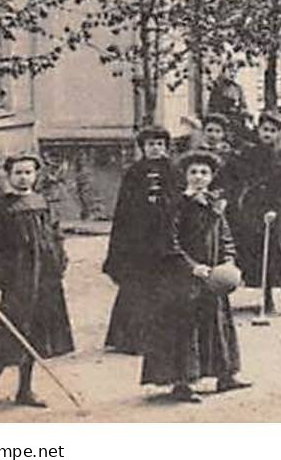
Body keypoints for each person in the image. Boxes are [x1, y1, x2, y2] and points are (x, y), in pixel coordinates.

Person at [140, 151, 248, 402]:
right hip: (182, 278)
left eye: (204, 173)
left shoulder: (214, 205)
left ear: (211, 177)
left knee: (217, 323)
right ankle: (183, 382)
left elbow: (226, 237)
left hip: (213, 275)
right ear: (186, 176)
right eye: (194, 172)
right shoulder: (175, 205)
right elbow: (169, 242)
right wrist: (191, 266)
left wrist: (228, 260)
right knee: (185, 328)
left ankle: (225, 376)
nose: (199, 177)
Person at [0, 155, 74, 422]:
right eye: (17, 172)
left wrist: (59, 260)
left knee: (34, 334)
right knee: (5, 336)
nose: (23, 177)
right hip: (14, 281)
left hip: (42, 280)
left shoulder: (42, 202)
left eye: (28, 172)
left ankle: (25, 390)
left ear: (36, 175)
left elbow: (55, 234)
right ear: (8, 176)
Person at [104, 127, 175, 354]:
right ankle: (130, 339)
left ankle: (161, 339)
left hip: (164, 239)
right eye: (151, 144)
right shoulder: (134, 173)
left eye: (160, 144)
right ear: (143, 148)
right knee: (136, 288)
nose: (156, 149)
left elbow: (179, 200)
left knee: (164, 288)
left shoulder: (174, 171)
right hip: (139, 241)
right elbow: (124, 209)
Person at [233, 111, 281, 314]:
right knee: (260, 256)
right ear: (258, 130)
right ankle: (266, 300)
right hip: (256, 211)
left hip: (280, 213)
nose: (268, 134)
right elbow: (243, 181)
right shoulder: (249, 154)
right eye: (265, 129)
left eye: (273, 131)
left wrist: (277, 208)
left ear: (279, 133)